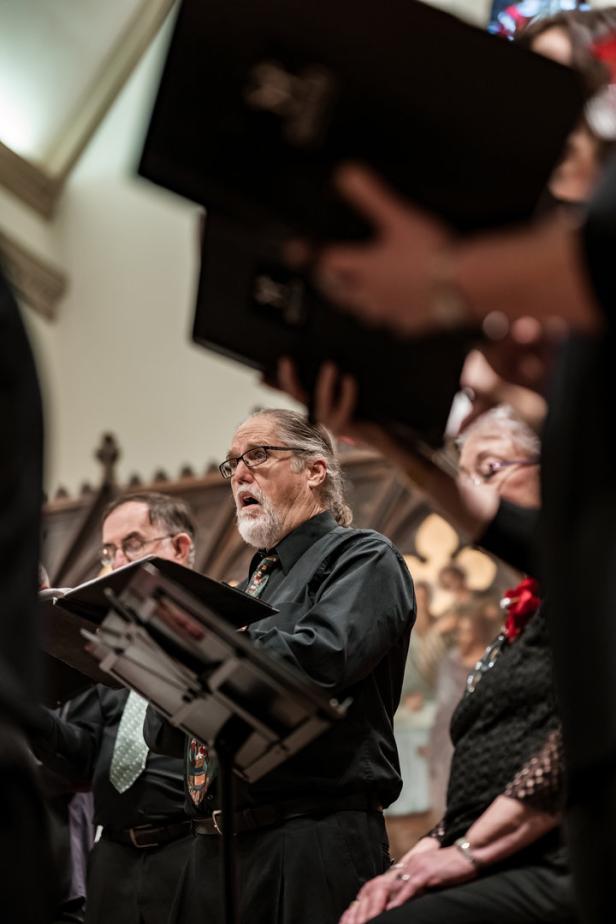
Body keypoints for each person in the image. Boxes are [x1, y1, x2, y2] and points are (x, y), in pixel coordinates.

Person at [145, 408, 415, 924]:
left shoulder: (362, 557)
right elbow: (165, 734)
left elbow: (321, 659)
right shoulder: (242, 591)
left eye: (258, 456)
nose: (239, 474)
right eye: (231, 466)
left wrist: (203, 646)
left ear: (315, 470)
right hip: (209, 851)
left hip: (309, 839)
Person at [333, 408, 576, 923]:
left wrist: (467, 854)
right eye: (464, 480)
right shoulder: (519, 625)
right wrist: (411, 864)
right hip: (492, 852)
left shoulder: (589, 585)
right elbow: (477, 790)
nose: (474, 501)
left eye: (489, 469)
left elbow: (578, 744)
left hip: (558, 858)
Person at [29, 492, 197, 924]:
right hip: (113, 863)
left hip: (191, 853)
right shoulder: (103, 646)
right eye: (109, 551)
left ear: (179, 548)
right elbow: (80, 762)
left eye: (133, 544)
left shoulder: (221, 635)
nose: (117, 561)